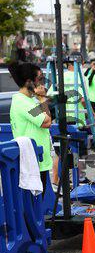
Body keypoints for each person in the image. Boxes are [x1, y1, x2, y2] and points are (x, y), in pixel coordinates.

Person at [8, 61, 52, 193]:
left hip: (37, 160)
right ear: (29, 82)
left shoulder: (29, 101)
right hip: (32, 162)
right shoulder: (23, 102)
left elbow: (46, 118)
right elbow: (46, 122)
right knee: (33, 202)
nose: (42, 84)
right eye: (39, 79)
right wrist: (43, 99)